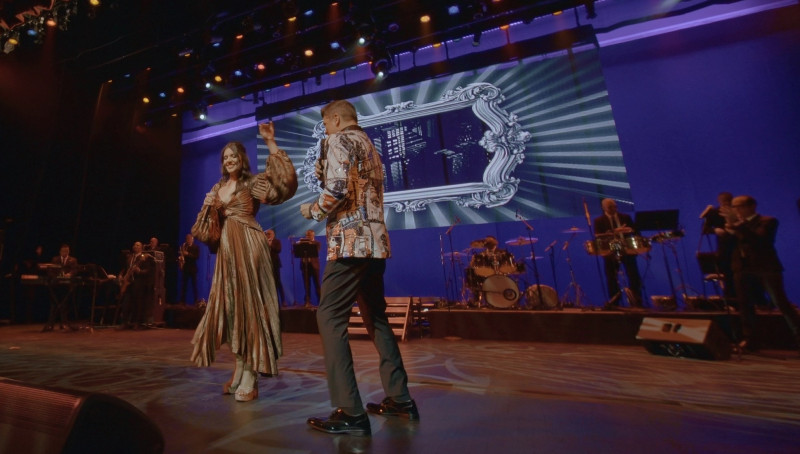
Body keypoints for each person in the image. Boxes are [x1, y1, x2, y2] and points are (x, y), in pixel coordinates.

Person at [302, 100, 418, 437]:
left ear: (335, 119)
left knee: (329, 316)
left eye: (325, 123)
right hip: (375, 243)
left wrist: (311, 210)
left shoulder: (339, 141)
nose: (325, 129)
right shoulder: (370, 145)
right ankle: (400, 399)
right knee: (376, 317)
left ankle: (350, 411)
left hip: (349, 243)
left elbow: (335, 191)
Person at [190, 122, 297, 402]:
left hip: (250, 245)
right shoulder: (218, 187)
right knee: (232, 308)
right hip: (227, 250)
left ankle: (251, 372)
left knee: (250, 307)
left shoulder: (252, 183)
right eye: (225, 157)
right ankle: (239, 367)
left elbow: (283, 186)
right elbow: (203, 230)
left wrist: (271, 142)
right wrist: (208, 205)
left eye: (234, 156)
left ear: (242, 159)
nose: (229, 160)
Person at [720, 195, 800, 352]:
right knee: (745, 305)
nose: (735, 210)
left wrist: (736, 225)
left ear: (752, 206)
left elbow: (760, 240)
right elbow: (731, 246)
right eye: (733, 207)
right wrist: (727, 229)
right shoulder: (735, 225)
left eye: (738, 206)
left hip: (766, 268)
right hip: (743, 268)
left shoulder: (767, 221)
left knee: (780, 303)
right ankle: (750, 340)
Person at [593, 198, 643, 308]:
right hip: (611, 250)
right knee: (611, 276)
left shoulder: (625, 217)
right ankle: (614, 302)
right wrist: (613, 232)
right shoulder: (599, 221)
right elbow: (598, 237)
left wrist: (629, 230)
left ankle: (637, 300)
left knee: (633, 274)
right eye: (610, 207)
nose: (613, 209)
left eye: (614, 206)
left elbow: (636, 231)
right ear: (604, 208)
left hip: (626, 248)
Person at [117, 241, 155, 330]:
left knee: (138, 304)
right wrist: (121, 276)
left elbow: (149, 271)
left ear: (141, 248)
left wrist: (140, 271)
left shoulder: (144, 257)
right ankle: (124, 322)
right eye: (134, 245)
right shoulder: (130, 257)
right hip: (128, 283)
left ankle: (137, 323)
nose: (135, 246)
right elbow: (125, 269)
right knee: (126, 303)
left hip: (139, 283)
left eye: (138, 245)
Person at [42, 244, 79, 331]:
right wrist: (57, 277)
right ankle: (51, 324)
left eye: (67, 251)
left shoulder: (73, 260)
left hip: (67, 285)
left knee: (65, 304)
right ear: (60, 251)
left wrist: (69, 274)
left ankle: (64, 323)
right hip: (56, 285)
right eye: (63, 251)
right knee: (54, 304)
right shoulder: (55, 259)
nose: (65, 253)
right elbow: (50, 270)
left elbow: (75, 270)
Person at [296, 229, 321, 307]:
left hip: (314, 266)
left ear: (313, 235)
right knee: (307, 285)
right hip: (305, 266)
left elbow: (316, 251)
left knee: (317, 284)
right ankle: (307, 302)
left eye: (309, 235)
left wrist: (309, 243)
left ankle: (320, 302)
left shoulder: (317, 243)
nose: (308, 236)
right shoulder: (302, 243)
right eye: (307, 235)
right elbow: (297, 251)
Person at [264, 229, 286, 306]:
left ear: (273, 234)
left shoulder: (277, 241)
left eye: (269, 233)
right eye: (266, 234)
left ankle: (283, 301)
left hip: (275, 264)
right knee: (268, 283)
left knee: (278, 282)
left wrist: (270, 245)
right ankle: (271, 302)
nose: (268, 235)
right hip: (266, 264)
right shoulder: (263, 241)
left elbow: (278, 250)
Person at [179, 234, 199, 304]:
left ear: (192, 239)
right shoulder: (185, 246)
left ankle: (196, 300)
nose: (188, 240)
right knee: (184, 285)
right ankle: (182, 301)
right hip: (186, 268)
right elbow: (182, 255)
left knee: (194, 286)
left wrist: (188, 254)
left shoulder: (196, 247)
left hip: (192, 268)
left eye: (189, 238)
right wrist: (181, 258)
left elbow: (196, 257)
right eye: (187, 238)